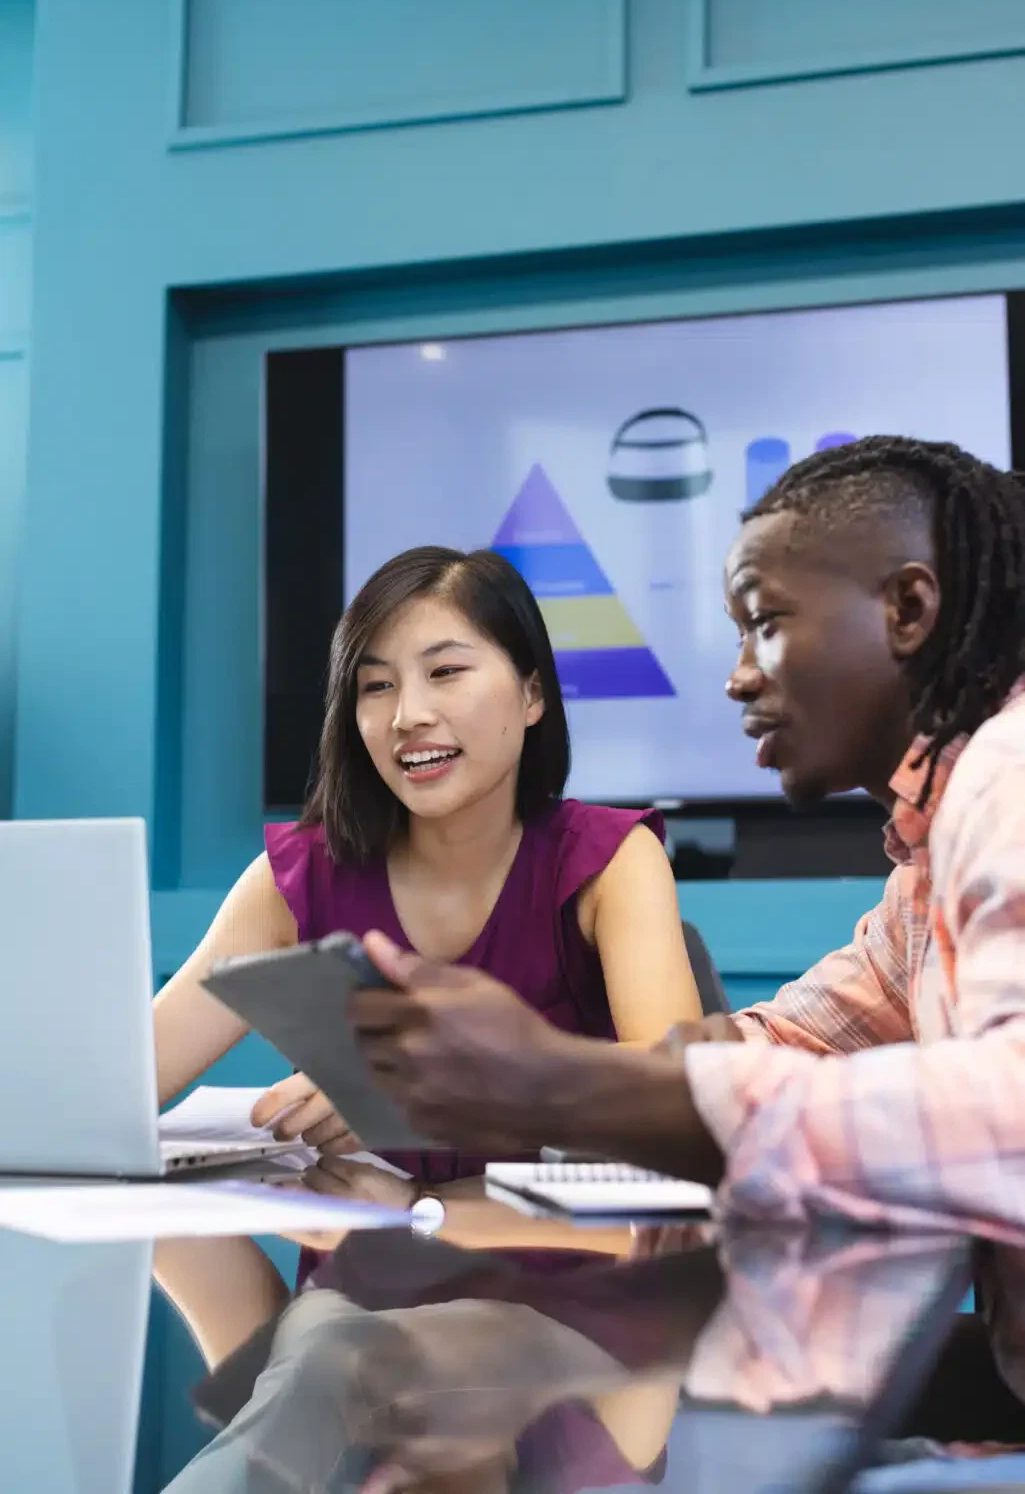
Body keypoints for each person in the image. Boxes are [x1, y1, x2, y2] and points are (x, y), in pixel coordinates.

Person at [347, 436, 1025, 1240]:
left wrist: (561, 1080)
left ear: (907, 611)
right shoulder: (923, 872)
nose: (736, 674)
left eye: (763, 623)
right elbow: (788, 1043)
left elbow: (1005, 1120)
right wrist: (521, 1076)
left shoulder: (1006, 772)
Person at [154, 545, 701, 1199]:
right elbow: (124, 1086)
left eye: (444, 671)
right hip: (356, 1288)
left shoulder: (610, 859)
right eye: (376, 685)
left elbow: (678, 1096)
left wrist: (417, 1086)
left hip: (576, 1281)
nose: (406, 715)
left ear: (532, 694)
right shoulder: (293, 878)